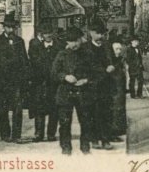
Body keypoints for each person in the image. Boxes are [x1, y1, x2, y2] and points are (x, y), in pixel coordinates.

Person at [0, 12, 29, 143]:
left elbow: (24, 61)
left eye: (13, 27)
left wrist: (26, 78)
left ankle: (16, 135)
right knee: (2, 108)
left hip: (16, 80)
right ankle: (5, 135)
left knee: (17, 108)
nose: (11, 29)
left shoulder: (20, 42)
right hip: (0, 80)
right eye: (8, 27)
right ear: (4, 27)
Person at [52, 26, 93, 155]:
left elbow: (96, 72)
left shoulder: (88, 54)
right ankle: (66, 148)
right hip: (65, 93)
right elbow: (53, 73)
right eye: (71, 41)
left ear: (81, 40)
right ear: (67, 42)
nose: (74, 44)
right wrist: (65, 77)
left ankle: (85, 147)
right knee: (64, 123)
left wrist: (86, 80)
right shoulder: (61, 55)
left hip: (83, 93)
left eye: (76, 41)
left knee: (85, 121)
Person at [83, 18, 115, 150]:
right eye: (97, 33)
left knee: (106, 113)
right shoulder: (85, 48)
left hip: (105, 86)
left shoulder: (107, 46)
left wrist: (113, 66)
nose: (100, 36)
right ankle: (94, 139)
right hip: (91, 86)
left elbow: (114, 61)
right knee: (92, 113)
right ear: (91, 33)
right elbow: (85, 66)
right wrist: (104, 70)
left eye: (102, 33)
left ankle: (105, 139)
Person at [28, 25, 61, 142]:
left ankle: (51, 133)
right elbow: (34, 61)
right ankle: (39, 133)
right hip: (40, 82)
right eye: (46, 33)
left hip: (54, 83)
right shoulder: (36, 45)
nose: (48, 35)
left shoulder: (58, 46)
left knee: (54, 108)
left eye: (50, 33)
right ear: (42, 34)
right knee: (39, 108)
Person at [109, 41, 128, 137]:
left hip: (121, 88)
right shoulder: (111, 61)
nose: (119, 51)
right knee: (115, 110)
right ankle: (114, 131)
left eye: (120, 49)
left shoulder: (121, 60)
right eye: (117, 49)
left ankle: (120, 130)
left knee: (120, 109)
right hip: (114, 89)